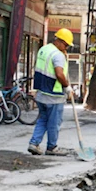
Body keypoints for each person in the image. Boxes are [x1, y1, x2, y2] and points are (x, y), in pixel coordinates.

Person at [28, 28, 74, 156]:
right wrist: (67, 86)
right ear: (60, 41)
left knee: (43, 120)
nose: (66, 48)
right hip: (54, 95)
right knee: (54, 123)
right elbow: (59, 74)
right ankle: (51, 147)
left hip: (41, 92)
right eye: (66, 45)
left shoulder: (44, 49)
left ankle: (34, 143)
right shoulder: (58, 55)